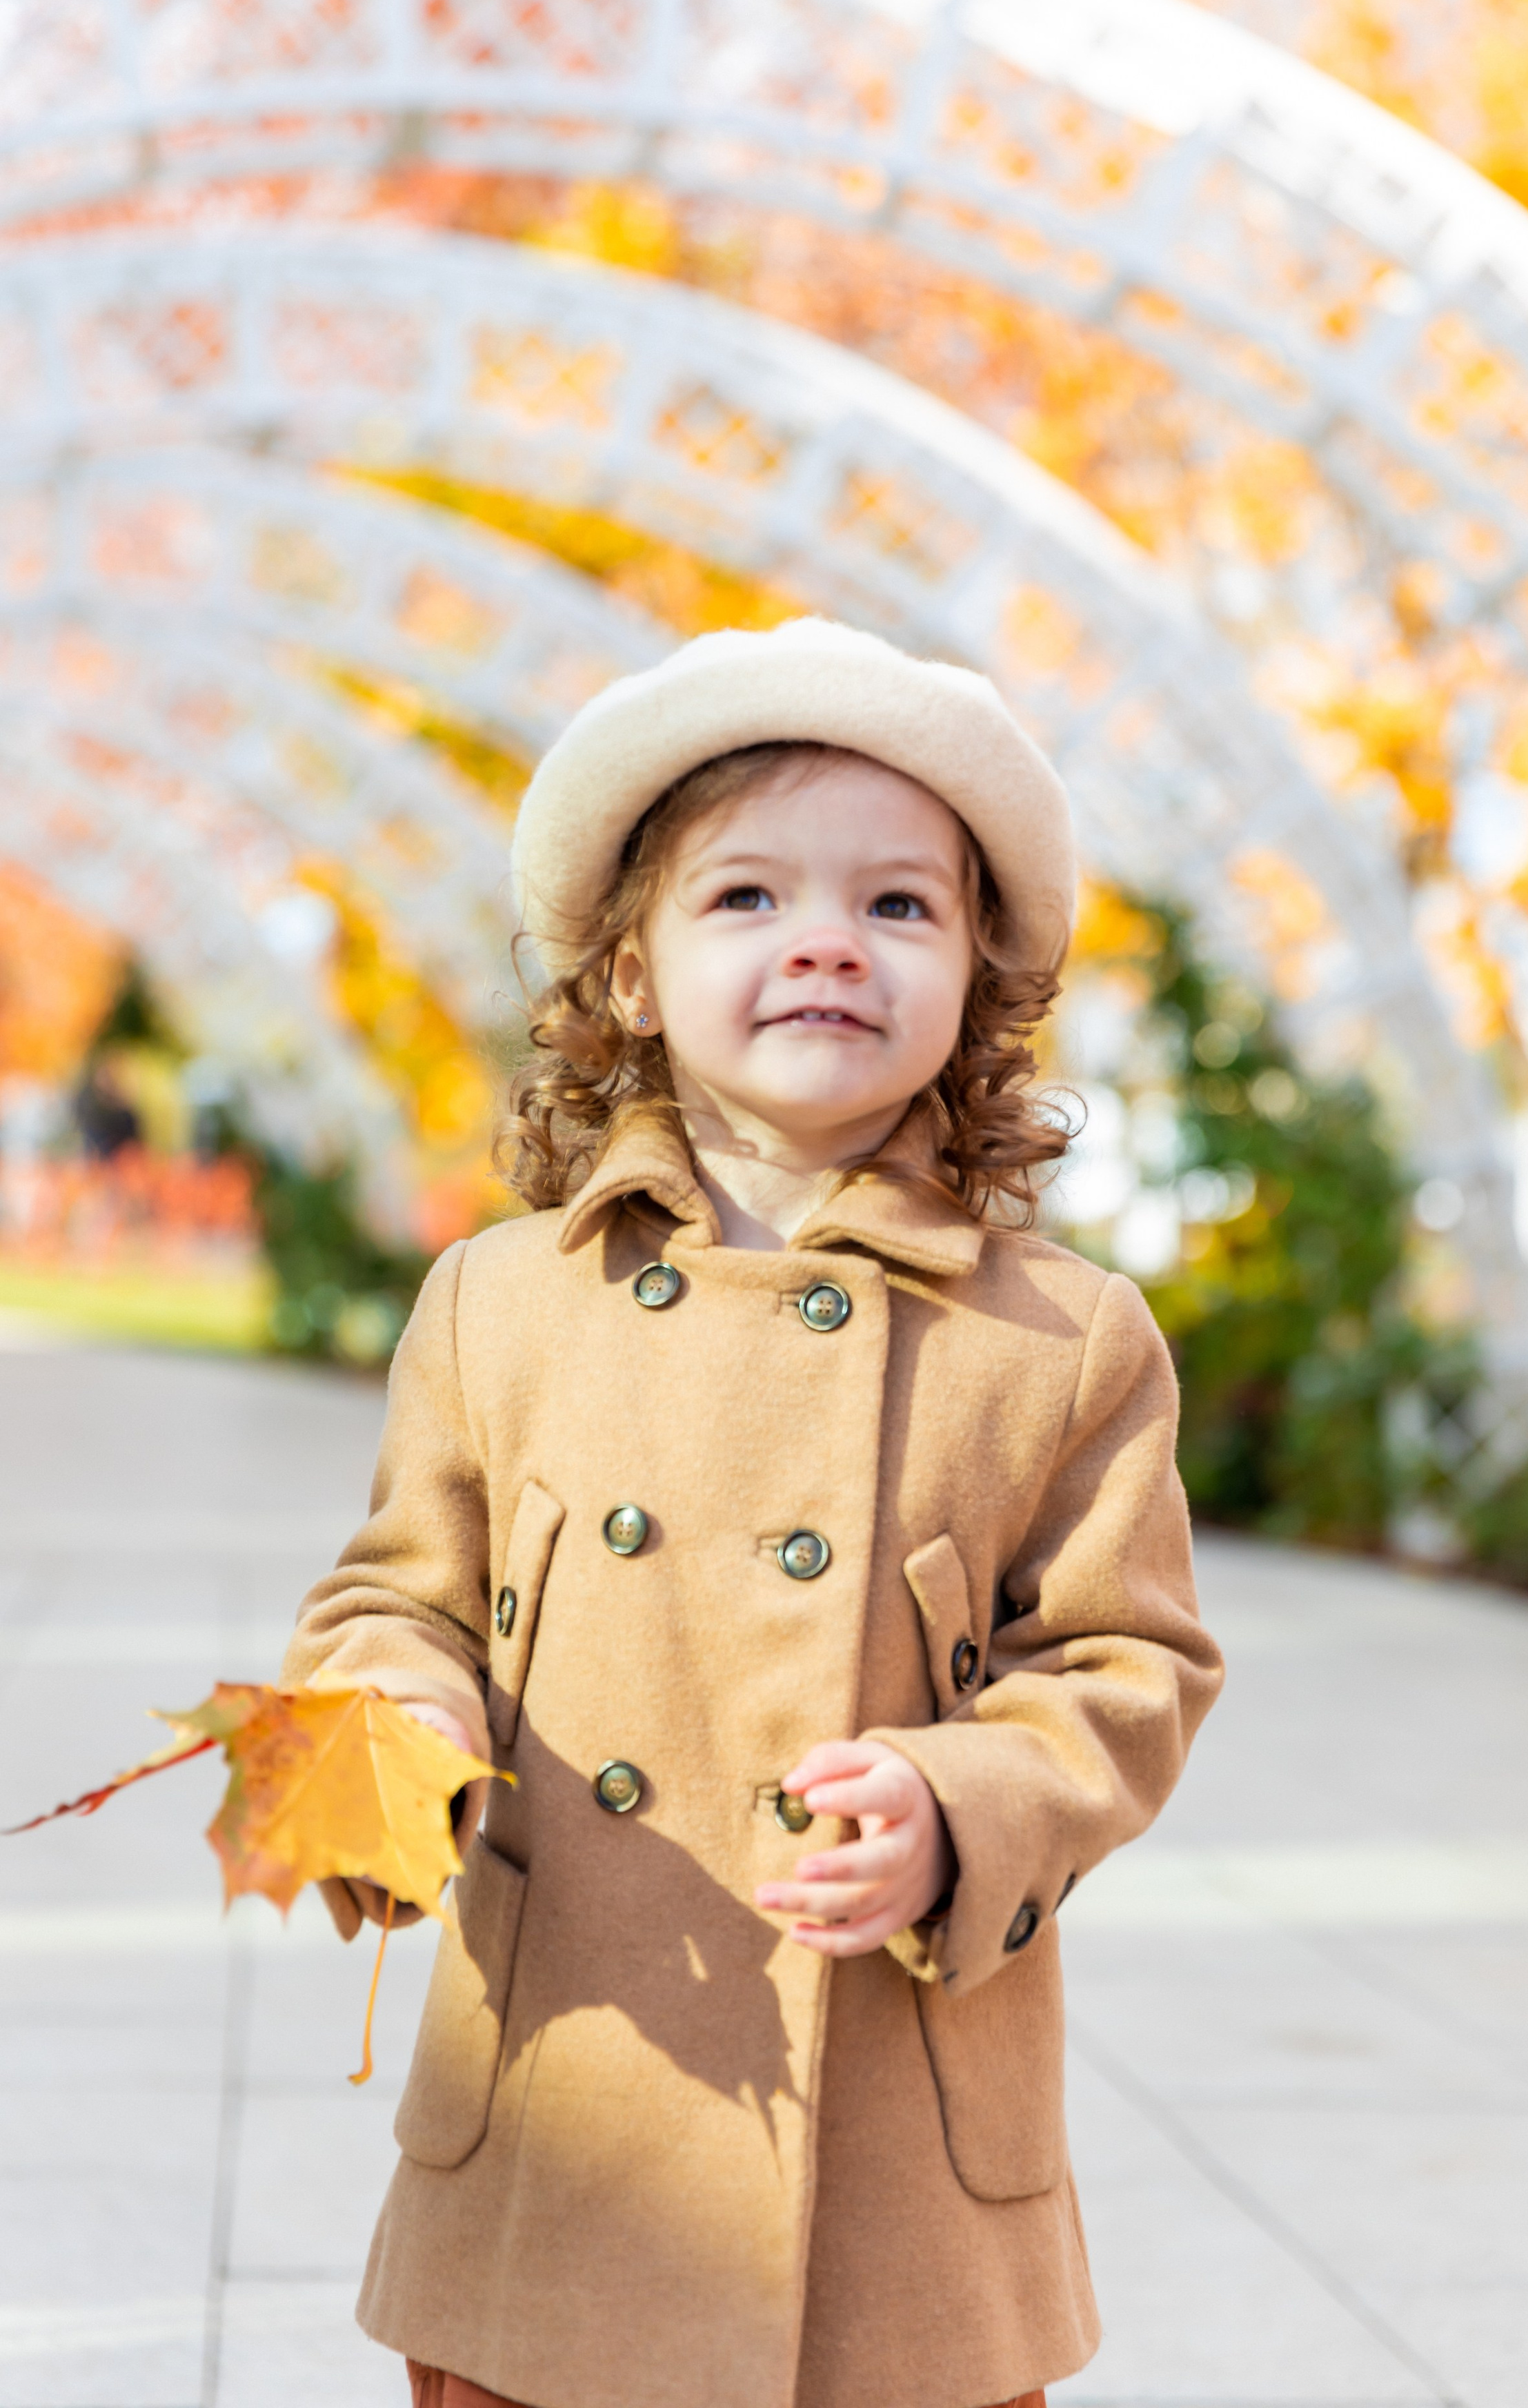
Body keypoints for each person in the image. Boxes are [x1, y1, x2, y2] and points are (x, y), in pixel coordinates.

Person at [284, 618, 1224, 2408]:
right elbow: (396, 1596)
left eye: (897, 906)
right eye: (745, 899)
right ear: (627, 975)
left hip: (888, 2150)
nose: (823, 941)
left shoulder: (1060, 1336)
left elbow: (1129, 1666)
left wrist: (961, 1803)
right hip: (571, 2096)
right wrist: (394, 1718)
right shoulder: (501, 1302)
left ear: (978, 983)